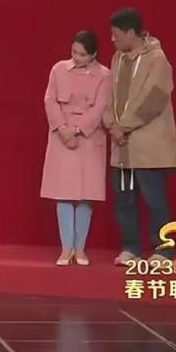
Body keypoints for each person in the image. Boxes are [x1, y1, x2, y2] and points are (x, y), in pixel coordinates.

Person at [103, 8, 176, 267]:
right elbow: (110, 96)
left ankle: (163, 251)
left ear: (130, 33)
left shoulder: (157, 58)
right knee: (123, 200)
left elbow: (154, 99)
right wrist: (111, 124)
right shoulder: (117, 59)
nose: (112, 40)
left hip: (148, 146)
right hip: (121, 146)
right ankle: (130, 248)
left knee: (153, 199)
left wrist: (124, 126)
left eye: (116, 35)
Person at [41, 30, 110, 267]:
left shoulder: (104, 75)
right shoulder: (58, 69)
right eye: (74, 52)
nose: (77, 57)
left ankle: (80, 248)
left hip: (89, 137)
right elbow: (50, 100)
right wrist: (62, 129)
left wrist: (78, 130)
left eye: (82, 54)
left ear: (93, 54)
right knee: (63, 193)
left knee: (85, 194)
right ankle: (66, 248)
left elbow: (101, 107)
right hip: (61, 135)